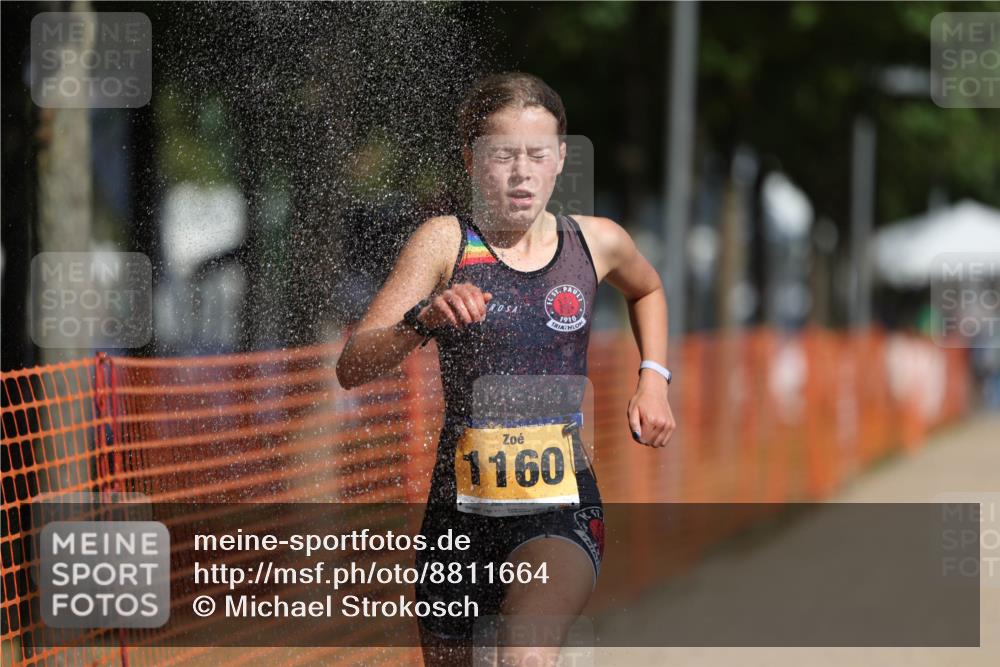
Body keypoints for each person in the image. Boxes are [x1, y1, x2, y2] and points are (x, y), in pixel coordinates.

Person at [336, 71, 675, 667]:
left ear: (561, 160)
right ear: (471, 160)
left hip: (560, 509)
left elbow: (647, 290)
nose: (521, 173)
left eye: (537, 155)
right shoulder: (446, 243)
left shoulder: (595, 243)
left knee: (527, 653)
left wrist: (654, 378)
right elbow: (353, 365)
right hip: (458, 517)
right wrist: (423, 319)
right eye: (502, 156)